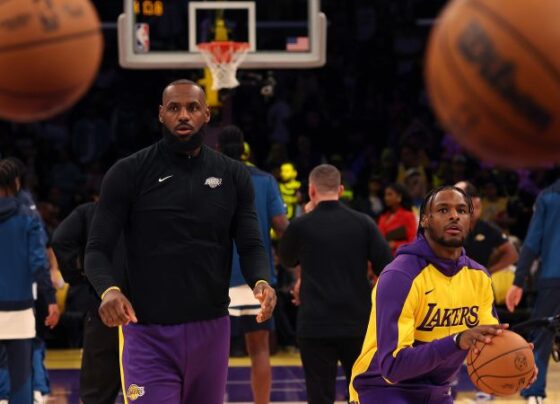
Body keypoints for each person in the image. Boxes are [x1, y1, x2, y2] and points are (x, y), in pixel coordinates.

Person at [84, 79, 276, 404]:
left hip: (212, 331)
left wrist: (262, 279)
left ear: (206, 115)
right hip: (147, 333)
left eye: (192, 108)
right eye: (174, 108)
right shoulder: (128, 173)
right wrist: (110, 290)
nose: (183, 115)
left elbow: (251, 243)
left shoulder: (232, 175)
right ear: (161, 114)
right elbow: (97, 249)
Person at [349, 186, 532, 404]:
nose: (454, 215)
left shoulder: (479, 277)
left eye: (462, 210)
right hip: (381, 387)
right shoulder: (400, 276)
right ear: (425, 220)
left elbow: (488, 341)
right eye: (443, 210)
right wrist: (456, 341)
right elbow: (392, 368)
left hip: (437, 390)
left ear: (470, 220)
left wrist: (518, 361)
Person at [278, 164, 393, 404]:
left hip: (315, 324)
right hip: (357, 323)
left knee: (319, 397)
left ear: (311, 192)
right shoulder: (363, 223)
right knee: (363, 394)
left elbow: (287, 258)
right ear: (340, 190)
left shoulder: (300, 225)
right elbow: (389, 269)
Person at [218, 125, 289, 404]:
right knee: (259, 349)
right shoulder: (265, 180)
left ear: (219, 149)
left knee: (213, 352)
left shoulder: (211, 178)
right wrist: (294, 266)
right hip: (256, 277)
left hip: (219, 277)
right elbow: (283, 228)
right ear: (244, 148)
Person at [51, 199, 124, 404]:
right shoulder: (153, 207)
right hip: (148, 310)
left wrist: (78, 276)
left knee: (95, 395)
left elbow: (60, 239)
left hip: (104, 306)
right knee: (151, 389)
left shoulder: (90, 211)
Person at [0, 157, 59, 404]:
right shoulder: (29, 216)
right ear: (16, 181)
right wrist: (51, 300)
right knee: (21, 380)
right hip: (19, 308)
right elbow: (38, 263)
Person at [506, 178, 560, 404]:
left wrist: (518, 281)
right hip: (551, 274)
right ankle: (533, 390)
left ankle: (534, 391)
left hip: (552, 275)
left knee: (543, 332)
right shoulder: (547, 196)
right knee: (542, 333)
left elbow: (531, 242)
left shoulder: (548, 196)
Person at [377, 183, 418, 255]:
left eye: (390, 194)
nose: (386, 198)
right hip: (383, 256)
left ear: (399, 197)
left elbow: (412, 242)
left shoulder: (408, 216)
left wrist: (395, 244)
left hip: (400, 257)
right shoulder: (383, 216)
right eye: (385, 195)